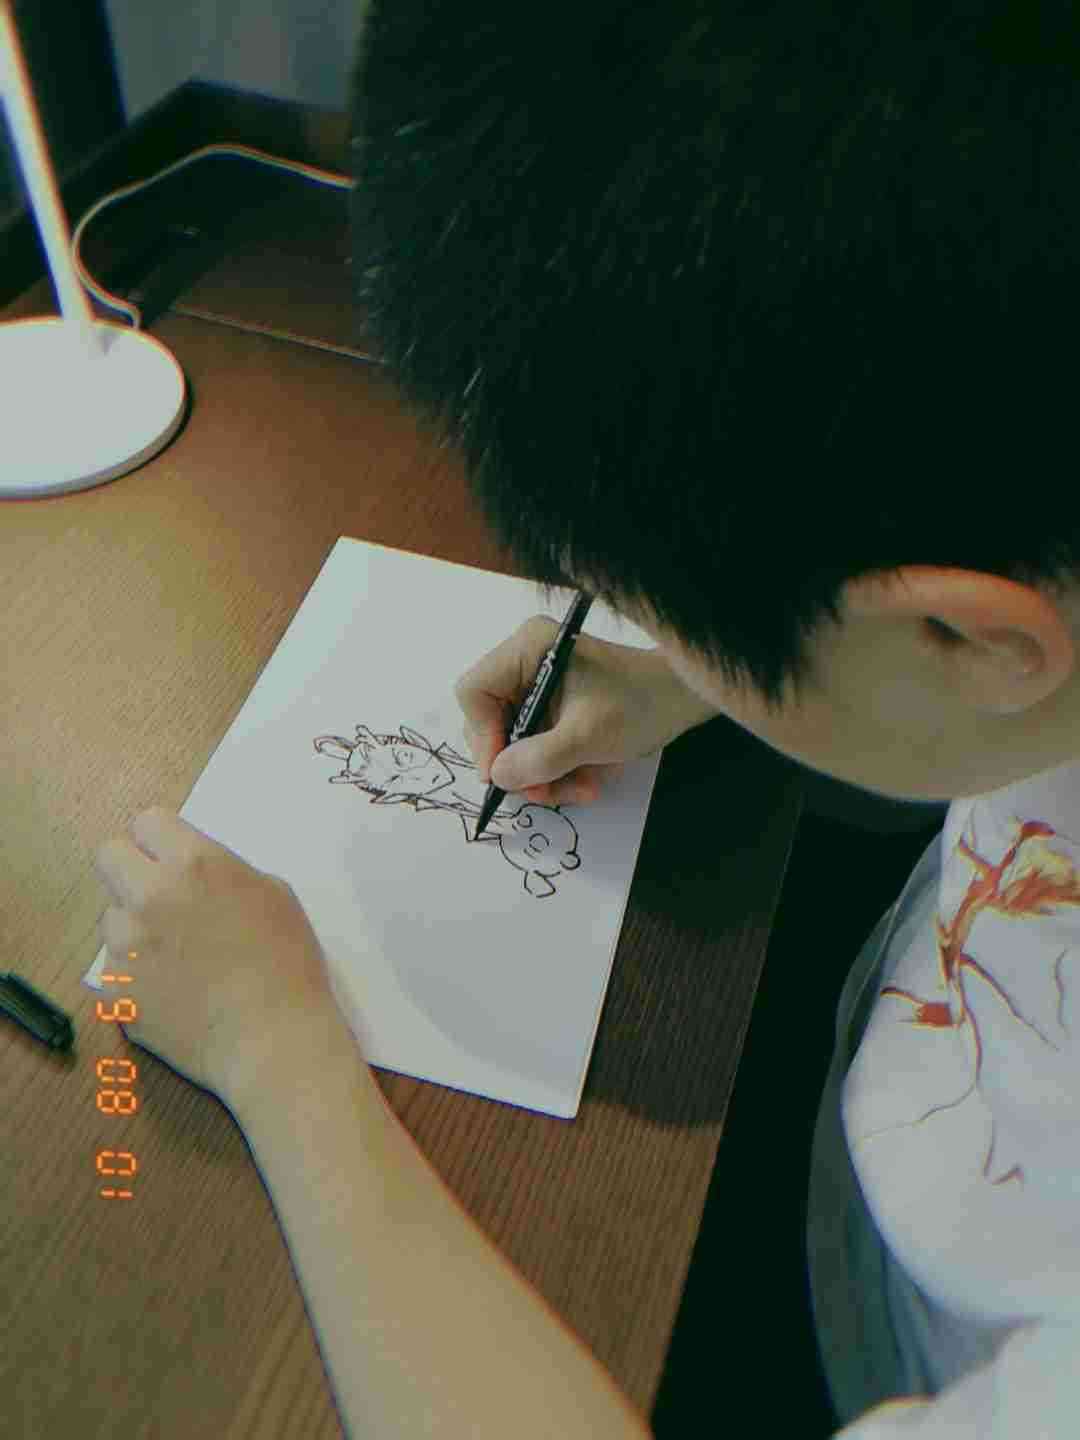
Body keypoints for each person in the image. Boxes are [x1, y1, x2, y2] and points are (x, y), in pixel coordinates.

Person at [346, 0, 1080, 1430]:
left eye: (658, 608)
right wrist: (706, 669)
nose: (649, 635)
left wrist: (283, 1062)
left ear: (959, 633)